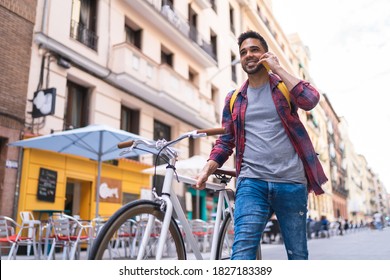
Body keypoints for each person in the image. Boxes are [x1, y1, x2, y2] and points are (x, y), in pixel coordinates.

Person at [195, 30, 327, 260]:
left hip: (291, 183)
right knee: (242, 253)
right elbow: (227, 139)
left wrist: (277, 68)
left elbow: (310, 100)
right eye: (243, 52)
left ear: (265, 53)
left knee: (298, 256)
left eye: (254, 49)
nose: (249, 55)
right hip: (251, 182)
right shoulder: (234, 98)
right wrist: (210, 165)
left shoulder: (284, 87)